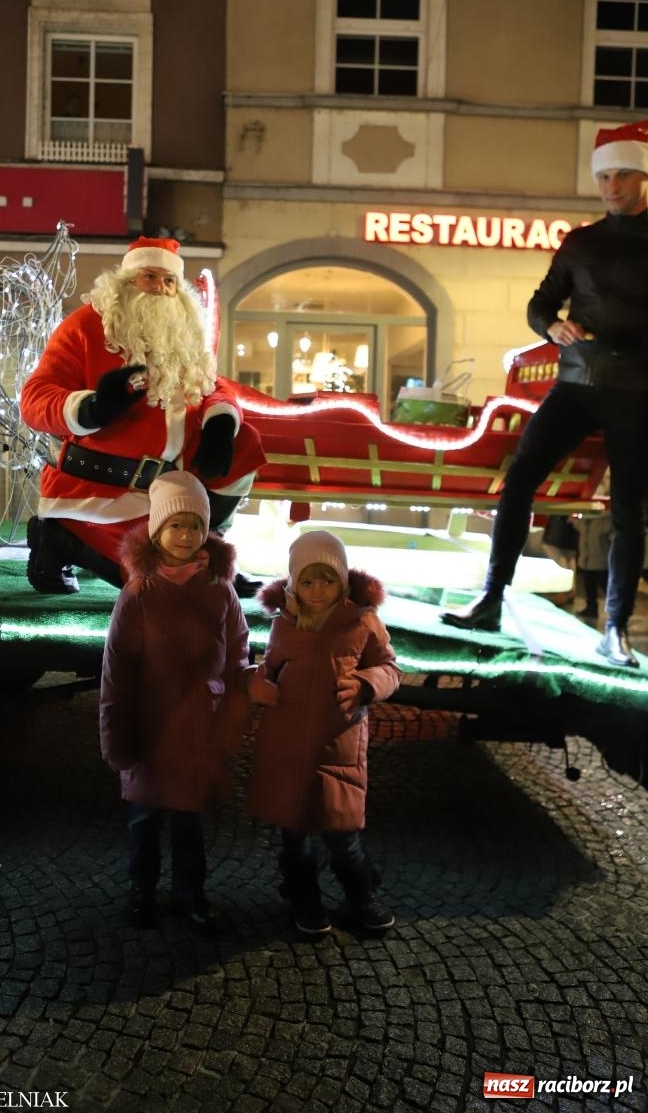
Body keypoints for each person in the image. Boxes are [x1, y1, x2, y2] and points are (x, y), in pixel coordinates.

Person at [442, 119, 648, 668]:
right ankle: (491, 598)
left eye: (623, 175)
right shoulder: (579, 242)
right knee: (518, 483)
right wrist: (551, 329)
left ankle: (615, 630)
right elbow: (540, 305)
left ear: (644, 175)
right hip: (575, 384)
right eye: (605, 177)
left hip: (636, 391)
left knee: (628, 511)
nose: (612, 187)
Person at [20, 236, 265, 595]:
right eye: (150, 277)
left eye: (169, 281)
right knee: (159, 586)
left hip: (169, 492)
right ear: (125, 281)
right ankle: (58, 535)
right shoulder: (85, 327)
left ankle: (206, 541)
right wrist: (91, 408)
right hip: (102, 491)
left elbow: (211, 385)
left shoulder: (181, 334)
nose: (161, 289)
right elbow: (34, 398)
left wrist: (220, 420)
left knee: (243, 441)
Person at [99, 470, 254, 930]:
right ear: (158, 531)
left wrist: (230, 715)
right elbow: (117, 670)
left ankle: (191, 894)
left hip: (197, 728)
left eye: (194, 525)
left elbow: (238, 653)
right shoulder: (139, 593)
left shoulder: (219, 589)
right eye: (176, 525)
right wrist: (116, 735)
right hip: (151, 727)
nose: (186, 535)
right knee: (144, 821)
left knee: (189, 822)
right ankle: (141, 892)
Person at [246, 531, 401, 935]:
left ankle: (361, 896)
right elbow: (269, 669)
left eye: (327, 580)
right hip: (287, 747)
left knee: (343, 839)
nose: (318, 590)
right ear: (295, 583)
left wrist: (367, 684)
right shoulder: (285, 624)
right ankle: (304, 898)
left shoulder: (363, 622)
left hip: (340, 747)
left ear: (343, 582)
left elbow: (390, 668)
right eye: (308, 581)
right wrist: (257, 685)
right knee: (295, 837)